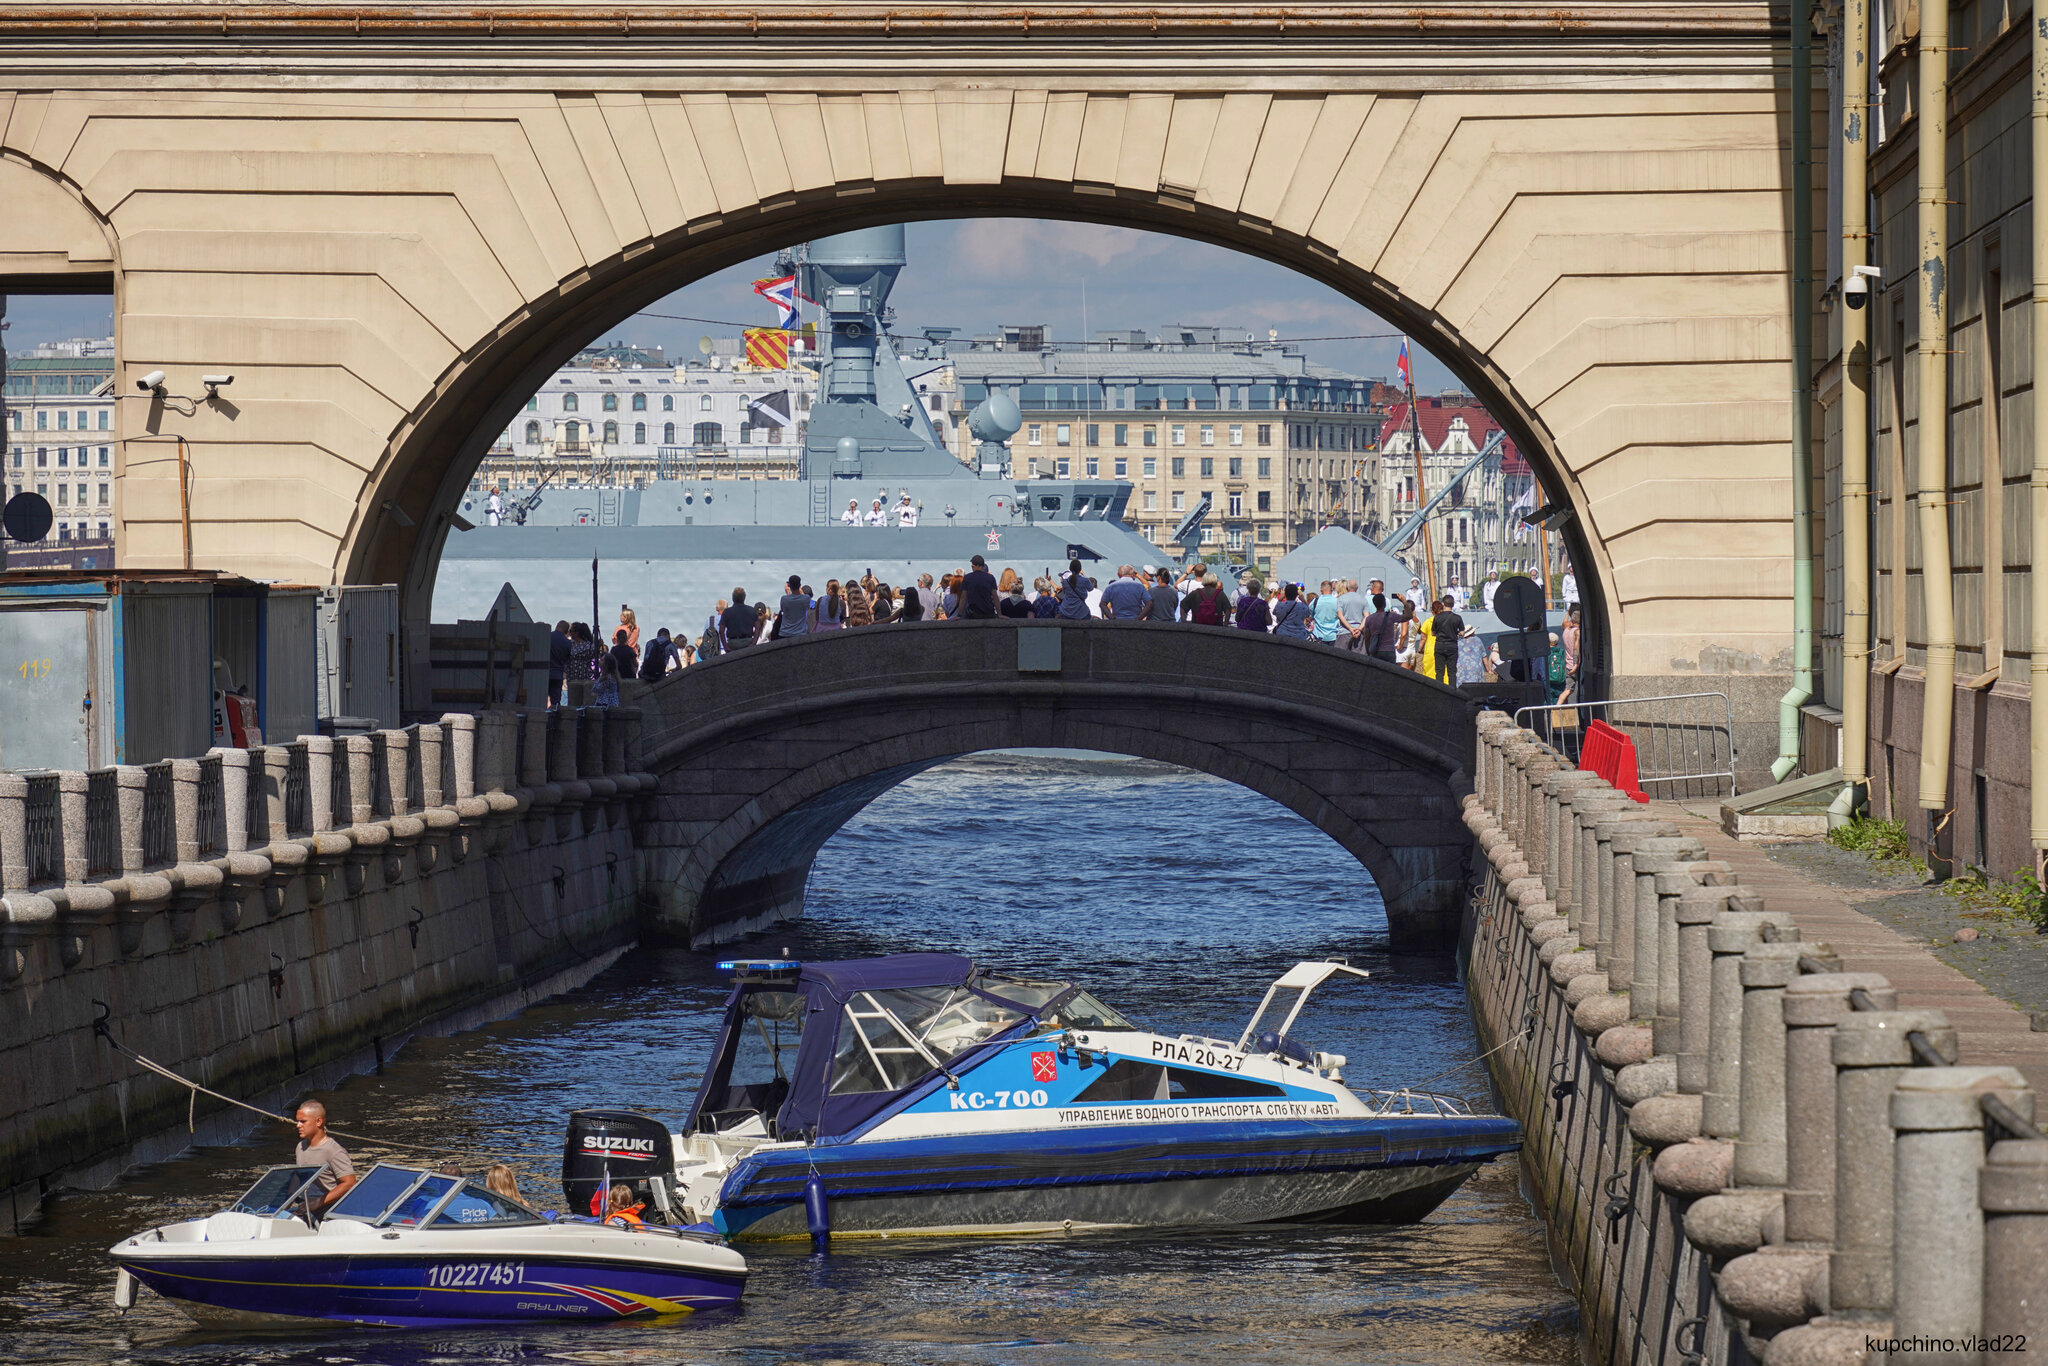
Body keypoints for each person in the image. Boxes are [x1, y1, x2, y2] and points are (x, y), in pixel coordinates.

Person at [294, 1100, 358, 1218]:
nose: (298, 1125)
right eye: (298, 1121)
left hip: (329, 1208)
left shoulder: (333, 1151)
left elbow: (350, 1183)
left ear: (319, 1121)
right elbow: (298, 1180)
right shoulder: (300, 1147)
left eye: (303, 1121)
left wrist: (317, 1203)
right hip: (306, 1204)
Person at [1363, 593, 1400, 663]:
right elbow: (1408, 616)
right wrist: (1403, 601)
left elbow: (1367, 638)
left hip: (1375, 650)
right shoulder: (1391, 616)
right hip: (1389, 650)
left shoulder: (1369, 619)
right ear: (1385, 604)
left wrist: (1368, 651)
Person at [1335, 579, 1369, 651]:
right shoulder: (1363, 599)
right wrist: (1359, 629)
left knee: (1340, 657)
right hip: (1358, 633)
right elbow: (1367, 616)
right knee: (1357, 658)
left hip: (1344, 632)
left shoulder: (1341, 599)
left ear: (1347, 588)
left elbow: (1340, 615)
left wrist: (1350, 629)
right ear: (1357, 588)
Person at [777, 574, 812, 638]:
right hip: (800, 633)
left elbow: (783, 610)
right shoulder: (806, 598)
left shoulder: (784, 599)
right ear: (799, 586)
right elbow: (807, 607)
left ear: (789, 586)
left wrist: (788, 593)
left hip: (785, 632)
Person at [566, 622, 597, 690]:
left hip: (581, 676)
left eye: (571, 631)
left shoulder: (588, 646)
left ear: (577, 633)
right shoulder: (589, 645)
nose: (570, 633)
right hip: (573, 676)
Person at [1310, 580, 1342, 645]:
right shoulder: (1337, 602)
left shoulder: (1315, 601)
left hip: (1318, 636)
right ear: (1332, 589)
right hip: (1334, 636)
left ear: (1321, 589)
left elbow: (1310, 616)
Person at [547, 620, 570, 709]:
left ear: (557, 626)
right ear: (566, 631)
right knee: (556, 702)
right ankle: (553, 719)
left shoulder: (547, 637)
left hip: (545, 673)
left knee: (540, 699)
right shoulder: (567, 643)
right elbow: (568, 660)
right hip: (558, 674)